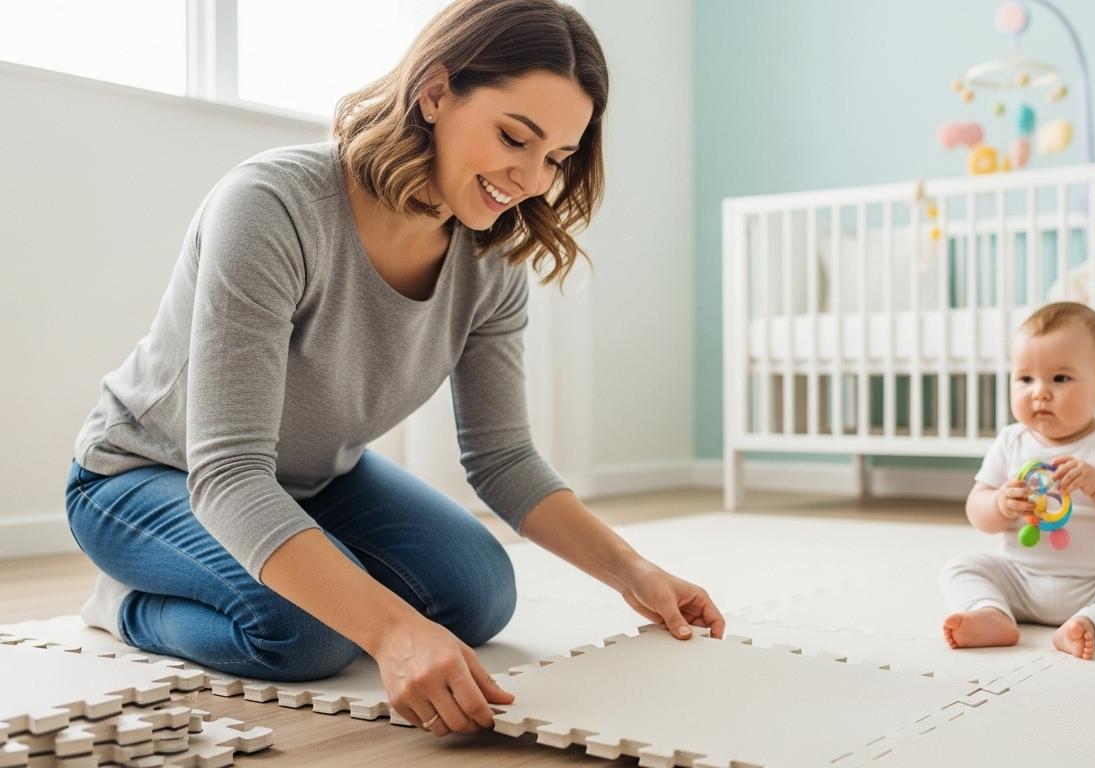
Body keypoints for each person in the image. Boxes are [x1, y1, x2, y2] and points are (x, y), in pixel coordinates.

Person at [64, 0, 723, 738]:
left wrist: (635, 573)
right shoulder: (272, 205)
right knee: (307, 635)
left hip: (313, 478)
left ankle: (301, 568)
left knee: (479, 594)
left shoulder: (491, 262)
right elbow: (227, 474)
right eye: (515, 137)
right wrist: (391, 632)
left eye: (556, 159)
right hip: (148, 475)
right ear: (435, 92)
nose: (532, 180)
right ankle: (125, 604)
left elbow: (503, 458)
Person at [940, 302, 1095, 660]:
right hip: (1020, 580)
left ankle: (1090, 624)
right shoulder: (1011, 441)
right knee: (960, 567)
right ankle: (991, 612)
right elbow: (977, 511)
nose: (1039, 392)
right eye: (1025, 379)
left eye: (1060, 378)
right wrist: (999, 504)